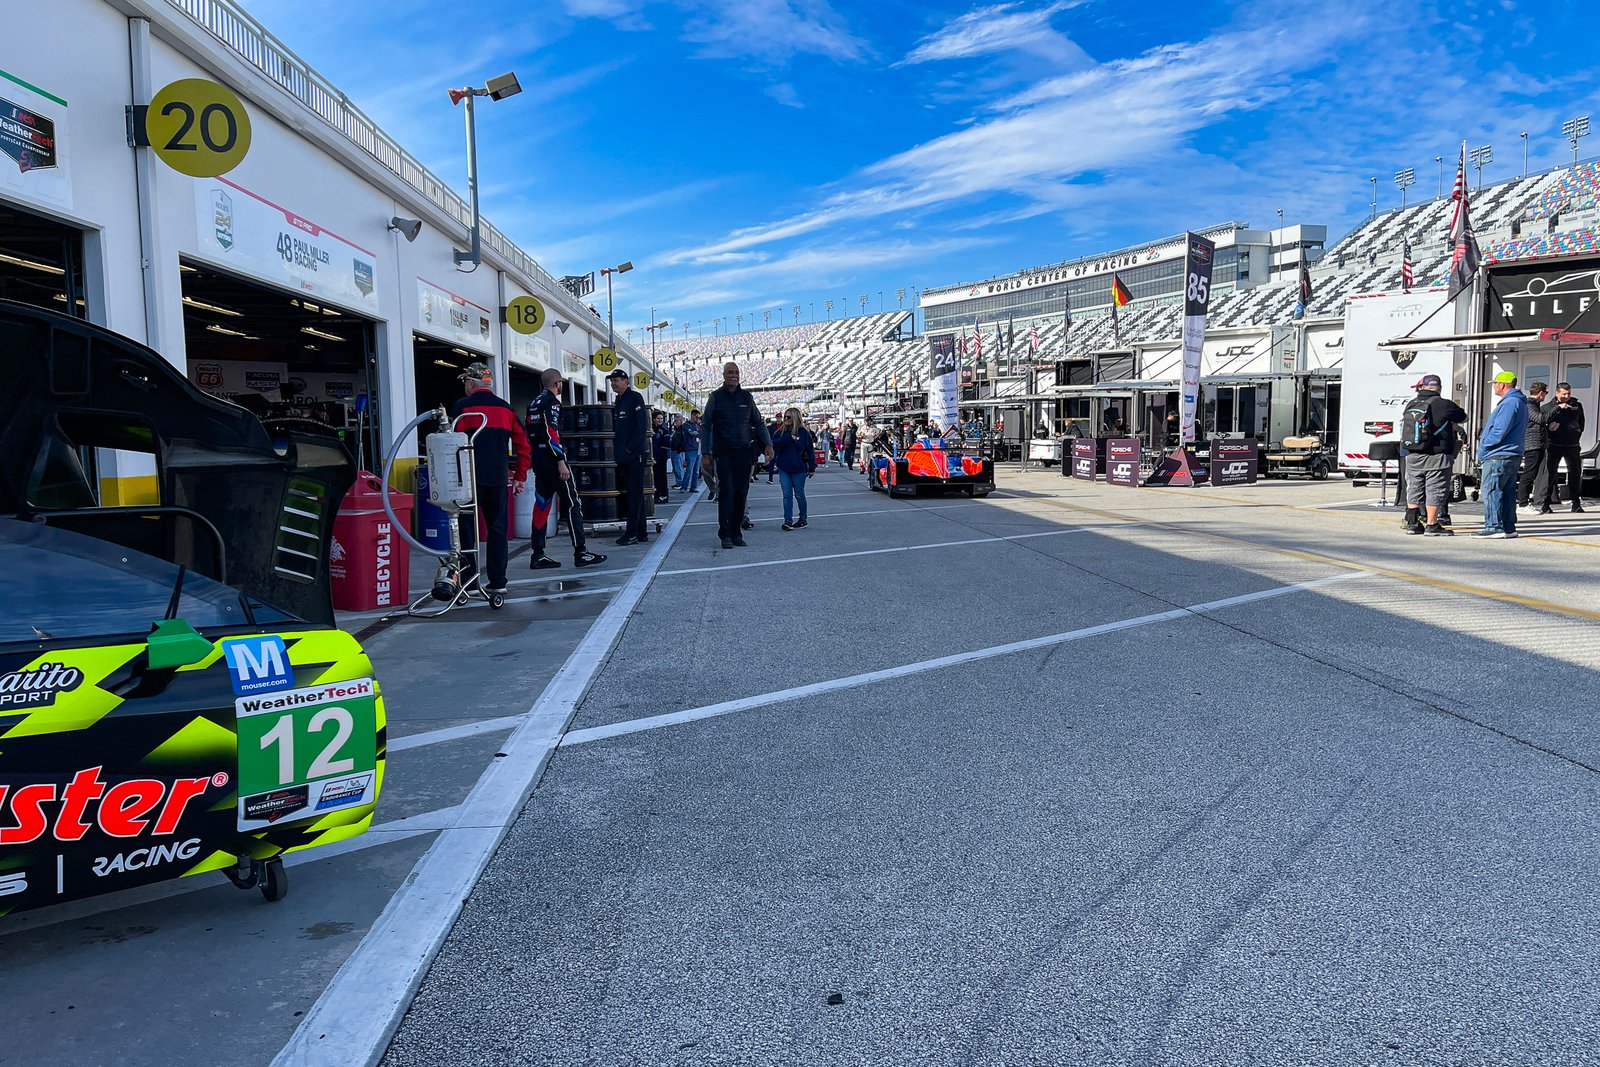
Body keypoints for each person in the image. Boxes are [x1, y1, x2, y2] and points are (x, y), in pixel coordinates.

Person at [449, 362, 529, 595]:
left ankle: (469, 583)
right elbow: (524, 445)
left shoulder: (462, 408)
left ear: (471, 383)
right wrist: (520, 476)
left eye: (466, 381)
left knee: (466, 530)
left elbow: (452, 444)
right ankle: (498, 582)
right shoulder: (506, 409)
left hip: (467, 480)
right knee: (497, 529)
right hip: (496, 479)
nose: (465, 385)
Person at [524, 367, 606, 570]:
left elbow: (531, 433)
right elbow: (551, 433)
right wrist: (560, 460)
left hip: (539, 461)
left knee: (542, 505)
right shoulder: (551, 403)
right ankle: (581, 552)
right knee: (572, 504)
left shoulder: (533, 403)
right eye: (561, 383)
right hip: (553, 461)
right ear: (557, 384)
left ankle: (538, 554)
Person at [701, 361, 772, 548]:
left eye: (736, 372)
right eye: (729, 372)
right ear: (724, 376)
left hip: (743, 453)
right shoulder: (715, 397)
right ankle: (724, 534)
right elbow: (706, 425)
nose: (733, 375)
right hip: (722, 453)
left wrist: (768, 444)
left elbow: (759, 423)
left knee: (741, 493)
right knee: (726, 492)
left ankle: (736, 532)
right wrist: (705, 453)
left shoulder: (747, 397)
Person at [1399, 373, 1466, 536]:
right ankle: (1432, 524)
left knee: (1414, 487)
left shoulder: (1411, 404)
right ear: (1439, 388)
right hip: (1437, 456)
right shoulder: (1444, 404)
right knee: (1435, 489)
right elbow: (1463, 417)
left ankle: (1413, 524)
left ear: (1421, 387)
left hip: (1413, 454)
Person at [1473, 371, 1528, 539]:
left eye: (1495, 383)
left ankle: (1494, 527)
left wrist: (1484, 447)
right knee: (1507, 491)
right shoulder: (1519, 402)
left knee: (1491, 490)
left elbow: (1499, 430)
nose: (1494, 385)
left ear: (1502, 385)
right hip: (1511, 454)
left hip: (1499, 454)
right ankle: (1508, 526)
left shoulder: (1509, 403)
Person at [608, 369, 649, 545]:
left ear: (626, 381)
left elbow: (641, 428)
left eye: (617, 380)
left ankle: (631, 533)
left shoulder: (635, 398)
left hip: (634, 456)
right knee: (634, 495)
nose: (614, 383)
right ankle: (641, 532)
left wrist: (629, 450)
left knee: (634, 495)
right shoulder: (619, 400)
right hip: (623, 457)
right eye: (612, 381)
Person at [1543, 381, 1586, 513]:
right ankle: (1545, 503)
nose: (1566, 396)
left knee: (1575, 473)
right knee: (1550, 474)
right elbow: (1541, 422)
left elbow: (1581, 423)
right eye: (1563, 394)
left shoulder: (1576, 405)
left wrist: (1576, 432)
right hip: (1554, 444)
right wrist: (1549, 429)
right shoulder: (1548, 407)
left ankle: (1576, 503)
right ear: (1557, 393)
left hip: (1572, 445)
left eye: (1568, 393)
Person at [772, 407, 816, 530]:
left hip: (799, 468)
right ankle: (788, 520)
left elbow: (810, 450)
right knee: (786, 495)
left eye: (789, 417)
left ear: (795, 418)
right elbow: (774, 443)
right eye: (785, 416)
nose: (785, 419)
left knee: (799, 494)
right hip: (784, 467)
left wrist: (812, 467)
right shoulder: (780, 432)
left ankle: (803, 519)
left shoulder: (803, 433)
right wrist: (788, 438)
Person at [1517, 382, 1549, 511]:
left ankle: (1526, 501)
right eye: (1545, 393)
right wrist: (1557, 408)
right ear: (1541, 393)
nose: (1545, 395)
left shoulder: (1535, 405)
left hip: (1538, 444)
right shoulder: (1529, 405)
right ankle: (1522, 503)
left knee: (1534, 474)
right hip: (1532, 445)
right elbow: (1540, 419)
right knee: (1529, 474)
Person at [651, 410, 672, 504]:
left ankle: (663, 495)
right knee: (654, 477)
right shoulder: (651, 428)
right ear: (654, 419)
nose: (660, 420)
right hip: (652, 457)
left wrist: (660, 452)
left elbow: (667, 444)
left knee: (662, 477)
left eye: (661, 418)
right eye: (658, 418)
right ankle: (656, 495)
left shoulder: (664, 429)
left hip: (661, 457)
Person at [680, 409, 703, 492]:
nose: (698, 419)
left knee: (696, 470)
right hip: (690, 449)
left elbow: (701, 434)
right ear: (692, 415)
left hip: (698, 449)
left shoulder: (697, 425)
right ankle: (684, 487)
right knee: (689, 469)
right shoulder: (686, 425)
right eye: (696, 417)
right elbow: (693, 433)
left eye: (699, 417)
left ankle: (693, 487)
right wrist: (698, 432)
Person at [669, 415, 686, 492]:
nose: (675, 422)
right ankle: (679, 482)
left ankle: (680, 482)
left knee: (678, 467)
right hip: (675, 451)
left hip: (678, 451)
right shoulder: (677, 430)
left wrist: (679, 449)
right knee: (676, 468)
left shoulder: (682, 430)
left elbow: (684, 441)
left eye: (676, 421)